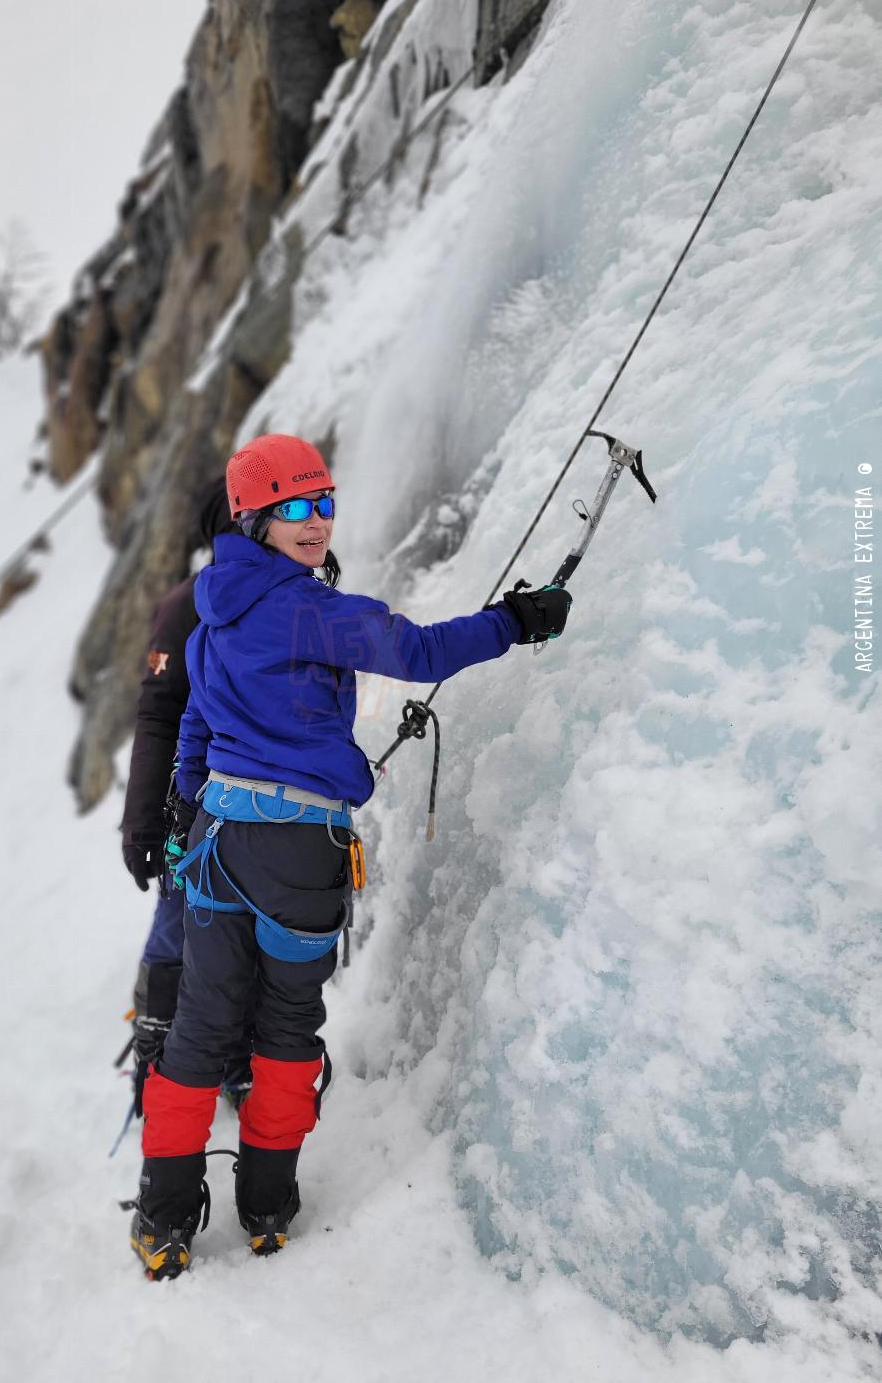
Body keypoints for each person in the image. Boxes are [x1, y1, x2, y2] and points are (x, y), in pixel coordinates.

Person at [128, 433, 572, 1279]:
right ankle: (265, 1205)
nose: (316, 521)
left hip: (218, 844)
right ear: (253, 520)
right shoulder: (307, 608)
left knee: (202, 1023)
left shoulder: (214, 611)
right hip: (298, 849)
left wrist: (184, 811)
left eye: (324, 502)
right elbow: (419, 651)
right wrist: (517, 621)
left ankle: (163, 1216)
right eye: (293, 507)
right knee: (287, 1023)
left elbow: (194, 723)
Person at [119, 478, 252, 1114]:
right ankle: (157, 1048)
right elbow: (156, 716)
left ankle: (235, 1053)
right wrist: (143, 824)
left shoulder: (290, 594)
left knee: (241, 929)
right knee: (180, 921)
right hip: (192, 805)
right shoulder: (184, 608)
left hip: (255, 802)